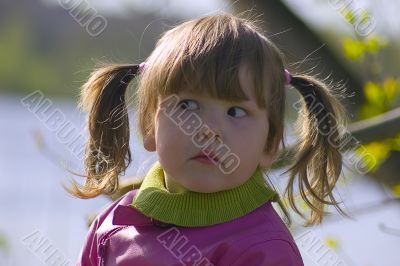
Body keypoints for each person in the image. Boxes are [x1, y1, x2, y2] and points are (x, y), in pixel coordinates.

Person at [71, 13, 348, 265]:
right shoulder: (113, 225)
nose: (208, 130)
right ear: (149, 126)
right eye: (187, 106)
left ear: (270, 143)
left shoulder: (264, 251)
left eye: (236, 111)